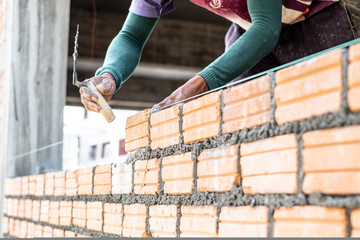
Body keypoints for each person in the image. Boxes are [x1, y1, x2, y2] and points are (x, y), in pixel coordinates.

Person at [79, 0, 360, 113]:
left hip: (319, 13)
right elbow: (131, 36)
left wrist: (199, 83)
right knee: (244, 118)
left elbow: (267, 27)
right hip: (250, 26)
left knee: (336, 108)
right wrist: (110, 74)